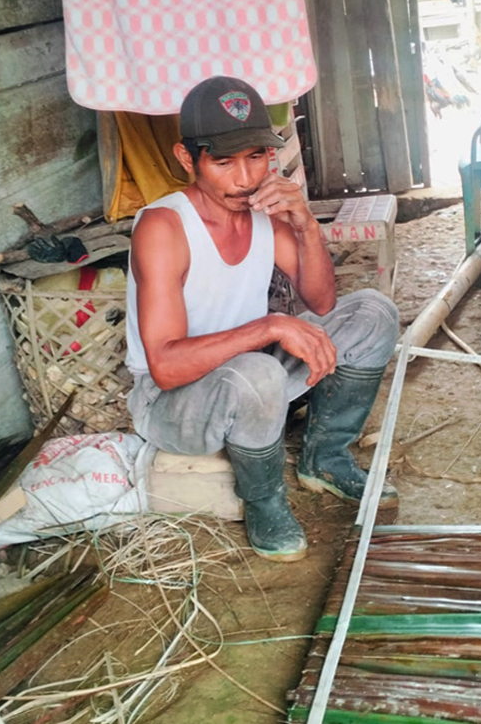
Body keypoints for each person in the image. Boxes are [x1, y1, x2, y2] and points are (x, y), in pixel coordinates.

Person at [125, 77, 401, 562]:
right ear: (187, 160)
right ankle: (264, 499)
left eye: (256, 156)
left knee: (373, 313)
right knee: (259, 370)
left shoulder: (262, 213)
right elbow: (166, 367)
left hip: (252, 373)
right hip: (171, 401)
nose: (245, 179)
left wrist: (306, 224)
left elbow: (321, 301)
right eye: (224, 161)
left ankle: (326, 459)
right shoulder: (164, 227)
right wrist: (269, 327)